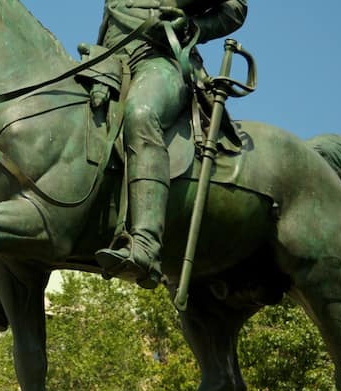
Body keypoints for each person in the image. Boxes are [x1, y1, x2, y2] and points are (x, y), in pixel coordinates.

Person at [93, 0, 247, 289]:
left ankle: (146, 245)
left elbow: (235, 7)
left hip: (160, 58)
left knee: (141, 114)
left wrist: (195, 26)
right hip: (106, 62)